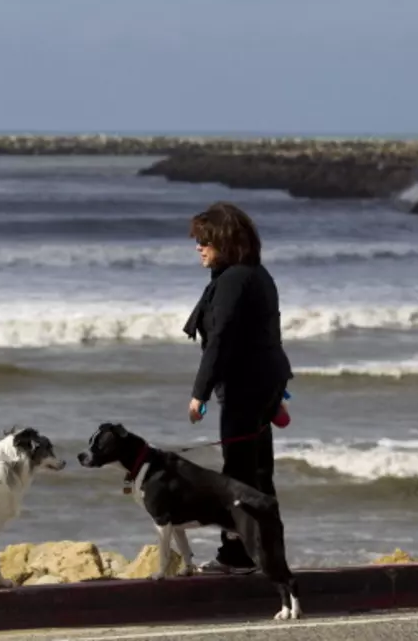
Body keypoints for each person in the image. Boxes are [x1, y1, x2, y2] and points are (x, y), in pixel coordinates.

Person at [182, 201, 293, 574]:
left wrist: (200, 392)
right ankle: (269, 552)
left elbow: (221, 341)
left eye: (205, 240)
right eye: (197, 240)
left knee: (238, 474)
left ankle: (238, 555)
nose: (198, 247)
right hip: (264, 382)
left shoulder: (232, 281)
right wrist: (274, 392)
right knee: (259, 472)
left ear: (225, 242)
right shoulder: (254, 274)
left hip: (247, 387)